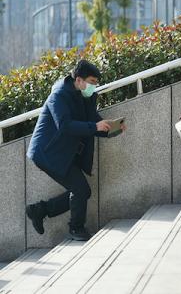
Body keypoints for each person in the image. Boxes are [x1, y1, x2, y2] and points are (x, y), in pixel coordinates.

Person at [25, 60, 126, 241]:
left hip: (64, 152)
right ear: (79, 80)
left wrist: (111, 129)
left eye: (96, 83)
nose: (94, 87)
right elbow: (65, 125)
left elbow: (92, 122)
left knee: (82, 191)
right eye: (92, 82)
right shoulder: (59, 95)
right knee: (80, 190)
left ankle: (39, 210)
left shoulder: (85, 96)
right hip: (47, 153)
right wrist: (95, 126)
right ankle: (75, 228)